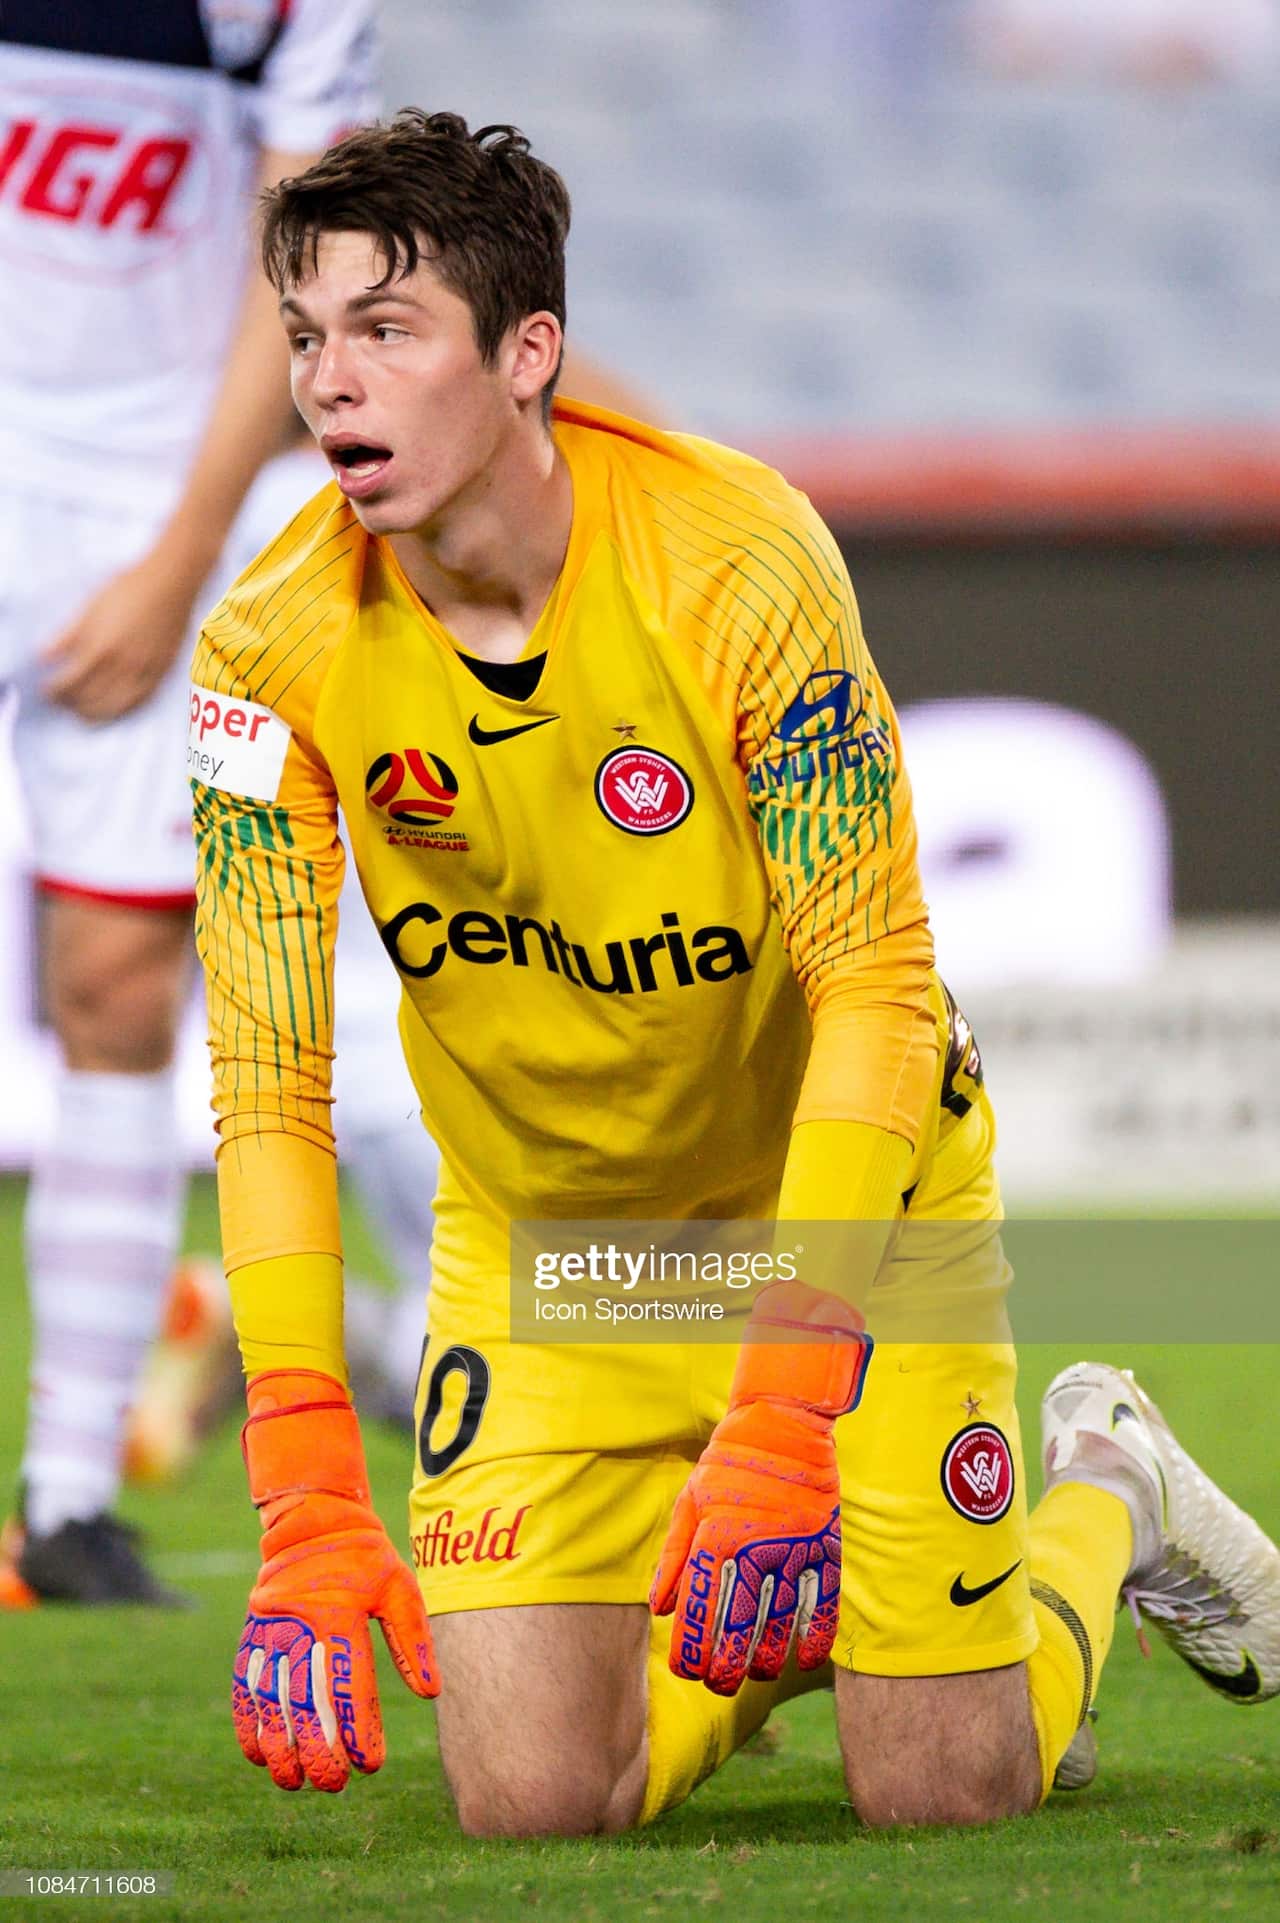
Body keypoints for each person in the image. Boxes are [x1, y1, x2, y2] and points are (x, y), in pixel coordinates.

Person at [192, 109, 1280, 1829]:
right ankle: (809, 1608)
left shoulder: (736, 562)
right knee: (535, 1805)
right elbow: (266, 1076)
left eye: (386, 330)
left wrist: (783, 1401)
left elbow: (878, 986)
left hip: (842, 1229)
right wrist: (305, 1481)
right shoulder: (264, 652)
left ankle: (1104, 1488)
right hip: (558, 1258)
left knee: (947, 1793)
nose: (328, 382)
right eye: (306, 335)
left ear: (527, 353)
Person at [0, 0, 377, 1605]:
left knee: (119, 983)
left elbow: (299, 272)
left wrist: (180, 554)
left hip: (146, 501)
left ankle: (69, 1498)